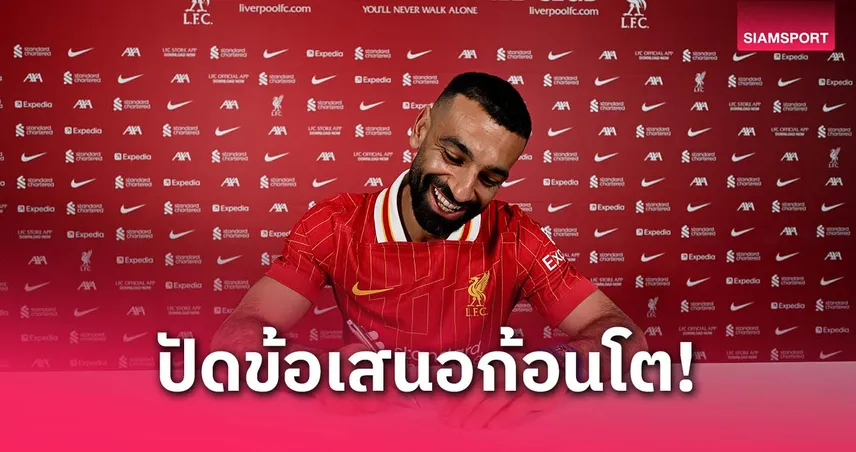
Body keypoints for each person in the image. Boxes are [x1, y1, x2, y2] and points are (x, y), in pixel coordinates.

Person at [211, 72, 648, 427]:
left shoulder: (516, 237)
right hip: (362, 431)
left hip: (475, 433)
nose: (463, 190)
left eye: (489, 178)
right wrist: (314, 371)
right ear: (421, 129)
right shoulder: (335, 225)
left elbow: (625, 338)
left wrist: (549, 369)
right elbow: (238, 334)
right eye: (454, 157)